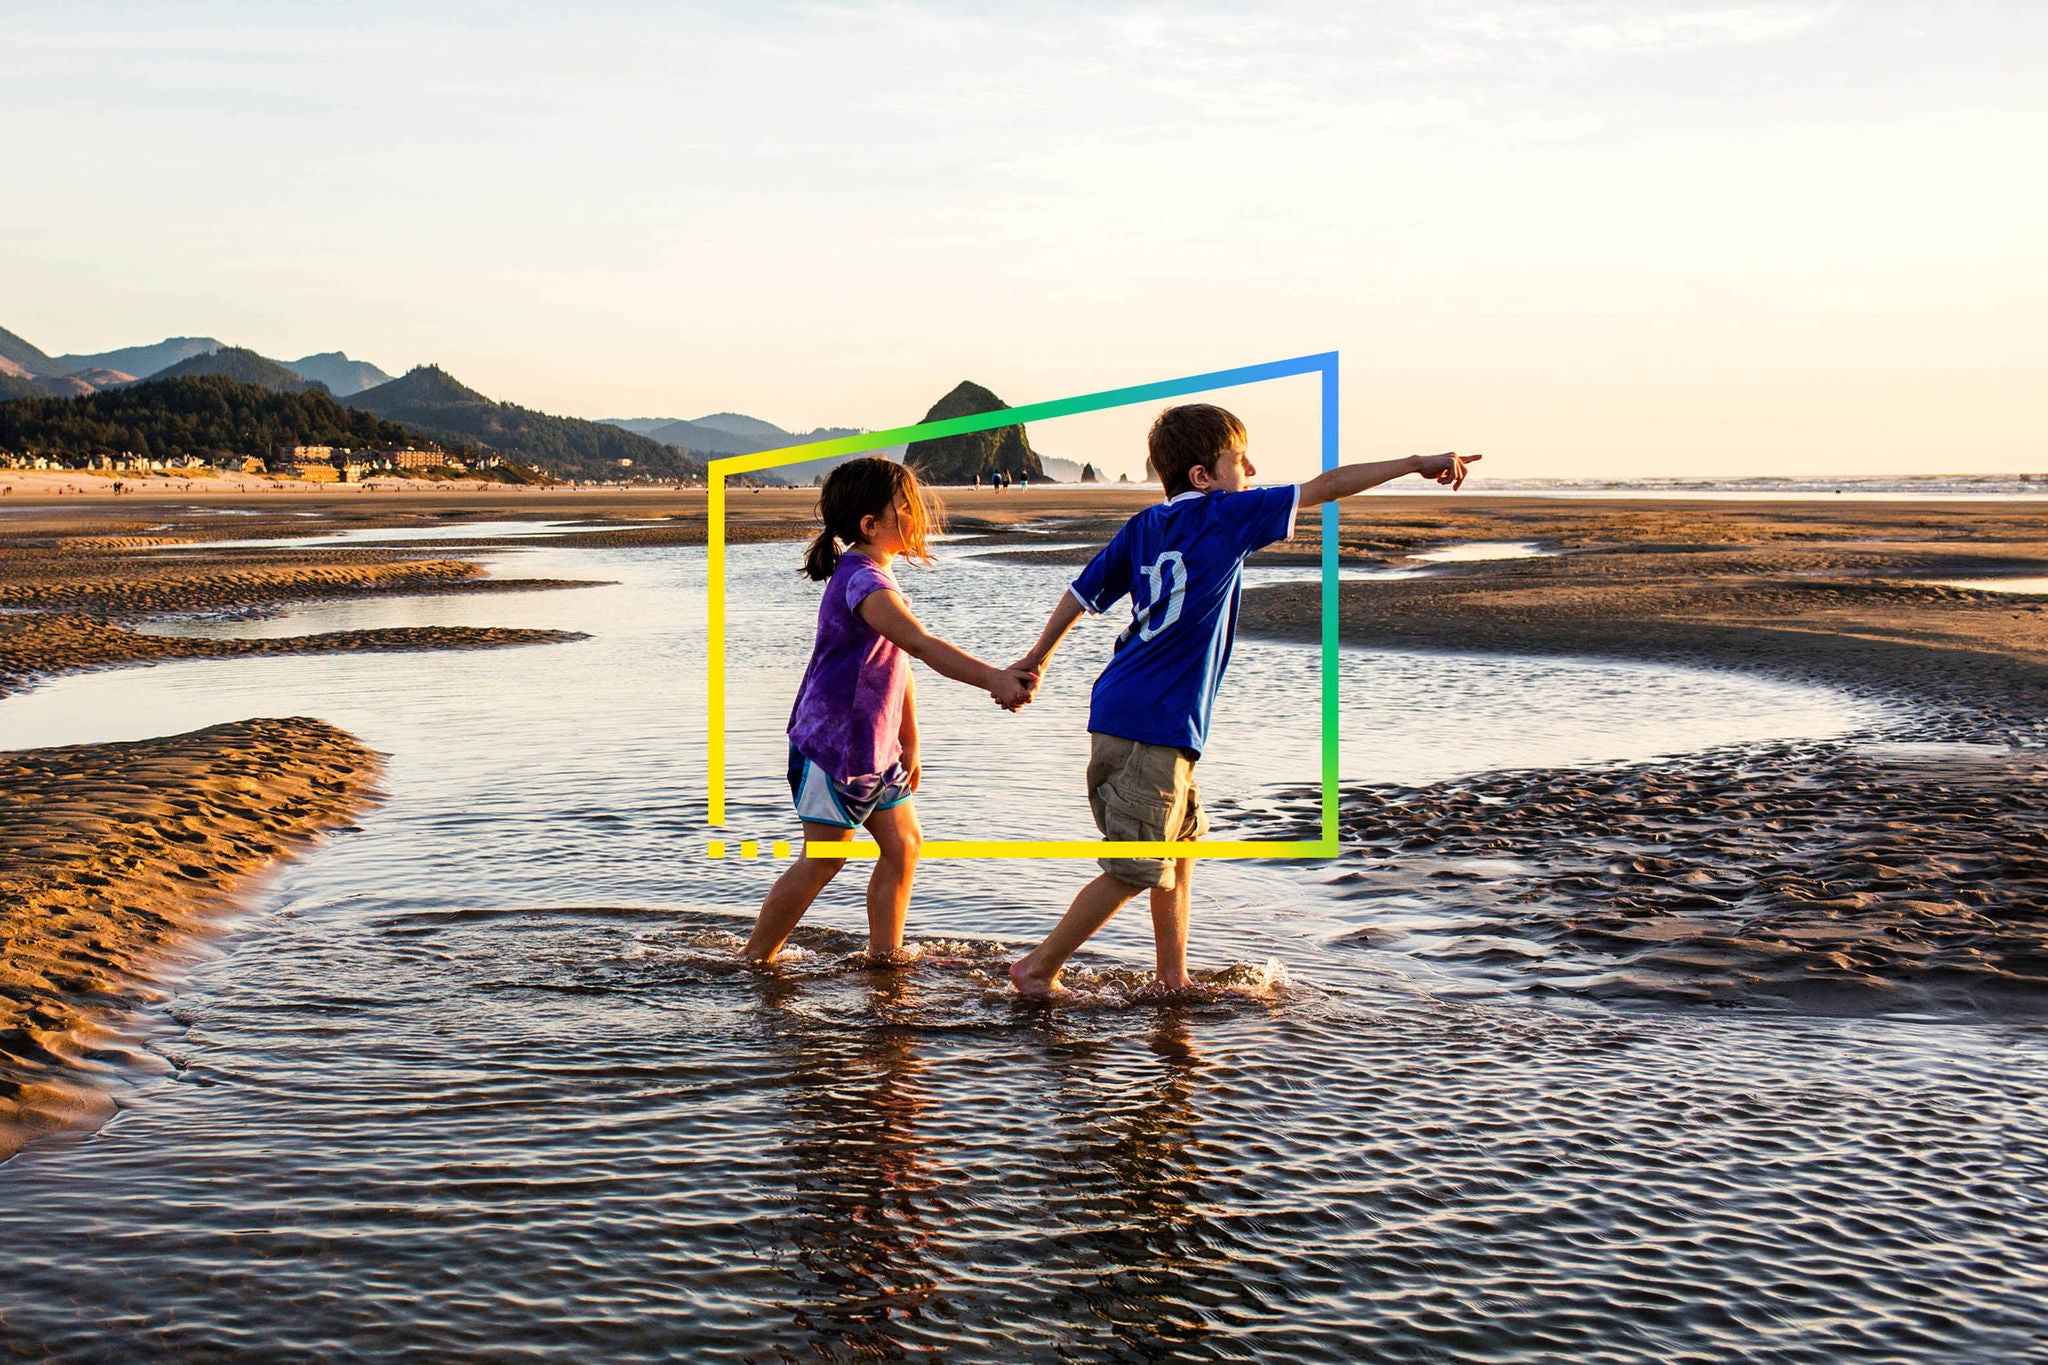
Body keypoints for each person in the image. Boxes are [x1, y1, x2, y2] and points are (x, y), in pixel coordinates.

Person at [1005, 404, 1478, 998]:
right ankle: (1037, 968)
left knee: (1178, 850)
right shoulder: (1225, 515)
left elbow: (1079, 595)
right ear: (1204, 478)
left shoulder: (1144, 526)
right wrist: (1415, 463)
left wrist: (1037, 658)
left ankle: (1171, 978)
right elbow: (1326, 486)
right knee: (1134, 864)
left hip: (1137, 714)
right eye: (1239, 460)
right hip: (1150, 723)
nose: (1251, 469)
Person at [742, 457, 1038, 964]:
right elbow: (920, 644)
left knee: (904, 847)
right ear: (870, 525)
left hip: (878, 749)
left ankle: (886, 960)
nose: (919, 515)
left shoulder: (874, 576)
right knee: (825, 858)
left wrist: (910, 742)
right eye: (906, 507)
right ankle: (754, 958)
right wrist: (993, 677)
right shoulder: (863, 582)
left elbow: (897, 666)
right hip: (834, 747)